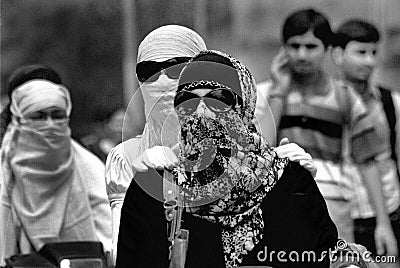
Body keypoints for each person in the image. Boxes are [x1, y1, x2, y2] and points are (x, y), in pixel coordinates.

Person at [105, 24, 319, 266]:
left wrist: (295, 189)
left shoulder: (282, 176)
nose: (162, 80)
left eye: (176, 69)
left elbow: (314, 253)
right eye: (149, 72)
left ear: (243, 105)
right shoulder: (141, 174)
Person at [262, 8, 396, 253]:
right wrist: (279, 92)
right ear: (283, 48)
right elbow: (263, 150)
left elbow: (367, 161)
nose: (302, 55)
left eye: (311, 47)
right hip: (282, 207)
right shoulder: (266, 94)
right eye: (294, 45)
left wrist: (383, 224)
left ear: (326, 49)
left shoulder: (344, 96)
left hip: (333, 210)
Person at [0, 70, 112, 265]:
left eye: (57, 115)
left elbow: (111, 235)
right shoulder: (4, 172)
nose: (49, 125)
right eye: (38, 116)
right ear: (18, 117)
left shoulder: (89, 167)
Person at [331, 19, 400, 259]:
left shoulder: (391, 103)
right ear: (338, 54)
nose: (369, 61)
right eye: (360, 52)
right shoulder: (327, 103)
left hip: (389, 211)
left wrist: (385, 223)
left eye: (373, 52)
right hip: (343, 216)